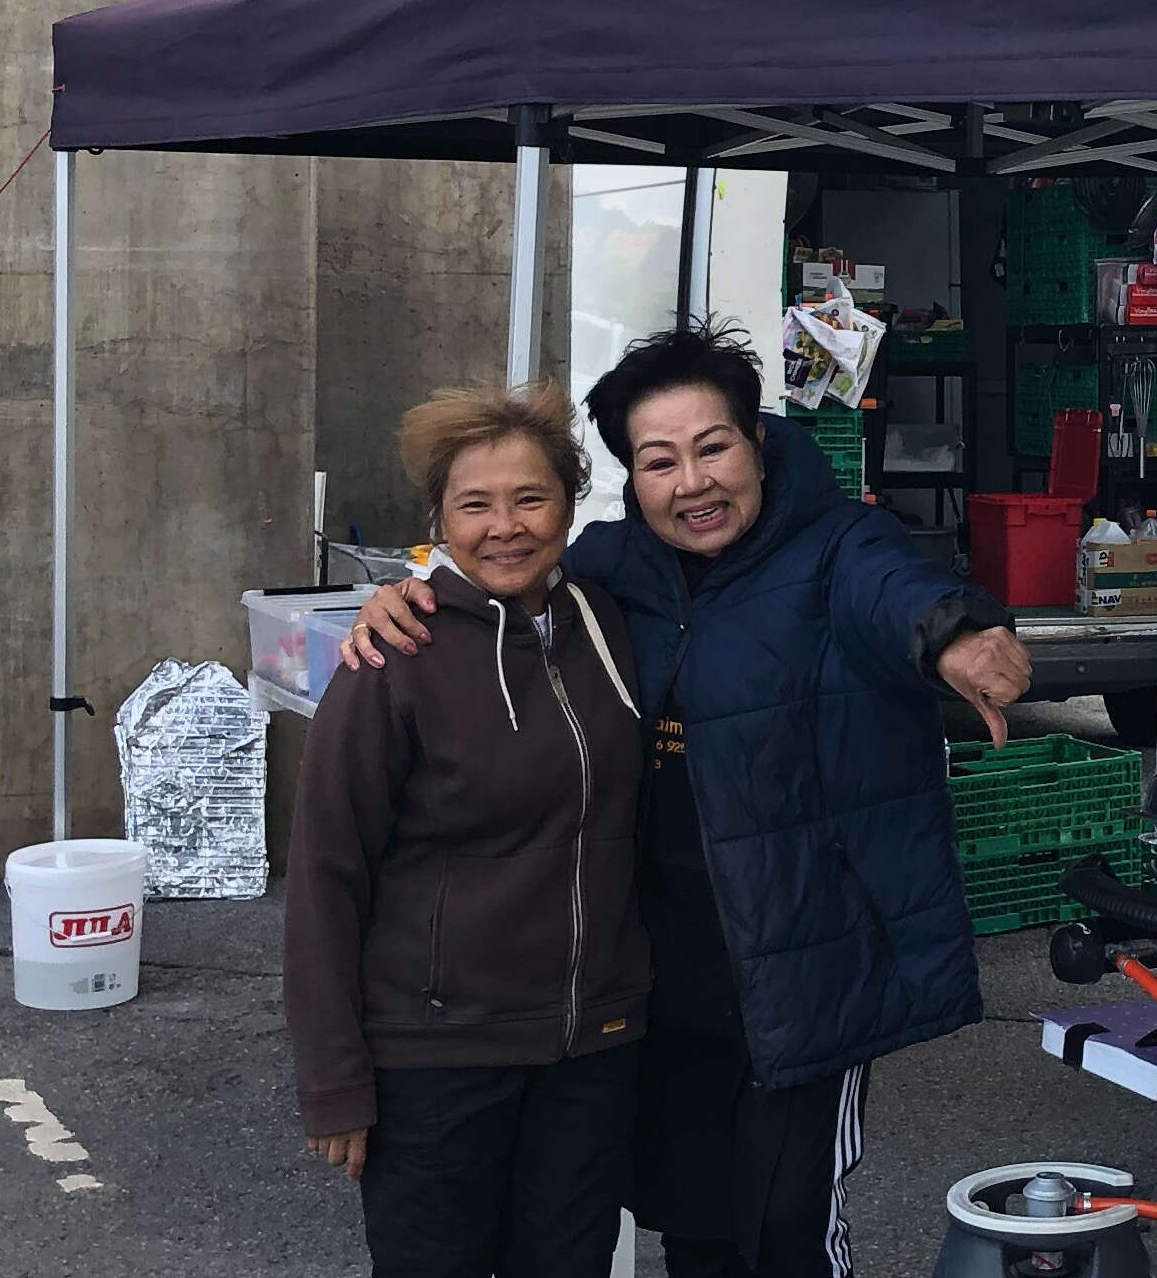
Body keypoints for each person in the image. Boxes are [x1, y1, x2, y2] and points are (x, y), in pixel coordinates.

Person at [343, 324, 1031, 1278]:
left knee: (787, 1228)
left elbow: (897, 590)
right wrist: (407, 594)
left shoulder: (839, 544)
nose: (693, 483)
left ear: (758, 442)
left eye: (713, 448)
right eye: (659, 461)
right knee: (694, 1225)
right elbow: (503, 579)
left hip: (804, 965)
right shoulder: (611, 568)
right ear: (632, 478)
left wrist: (956, 635)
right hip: (661, 976)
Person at [287, 385, 652, 1278]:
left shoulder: (606, 622)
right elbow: (326, 875)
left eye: (531, 499)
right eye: (474, 505)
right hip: (437, 1060)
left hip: (591, 1049)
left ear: (569, 504)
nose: (505, 528)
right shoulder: (392, 658)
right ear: (439, 522)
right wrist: (334, 1079)